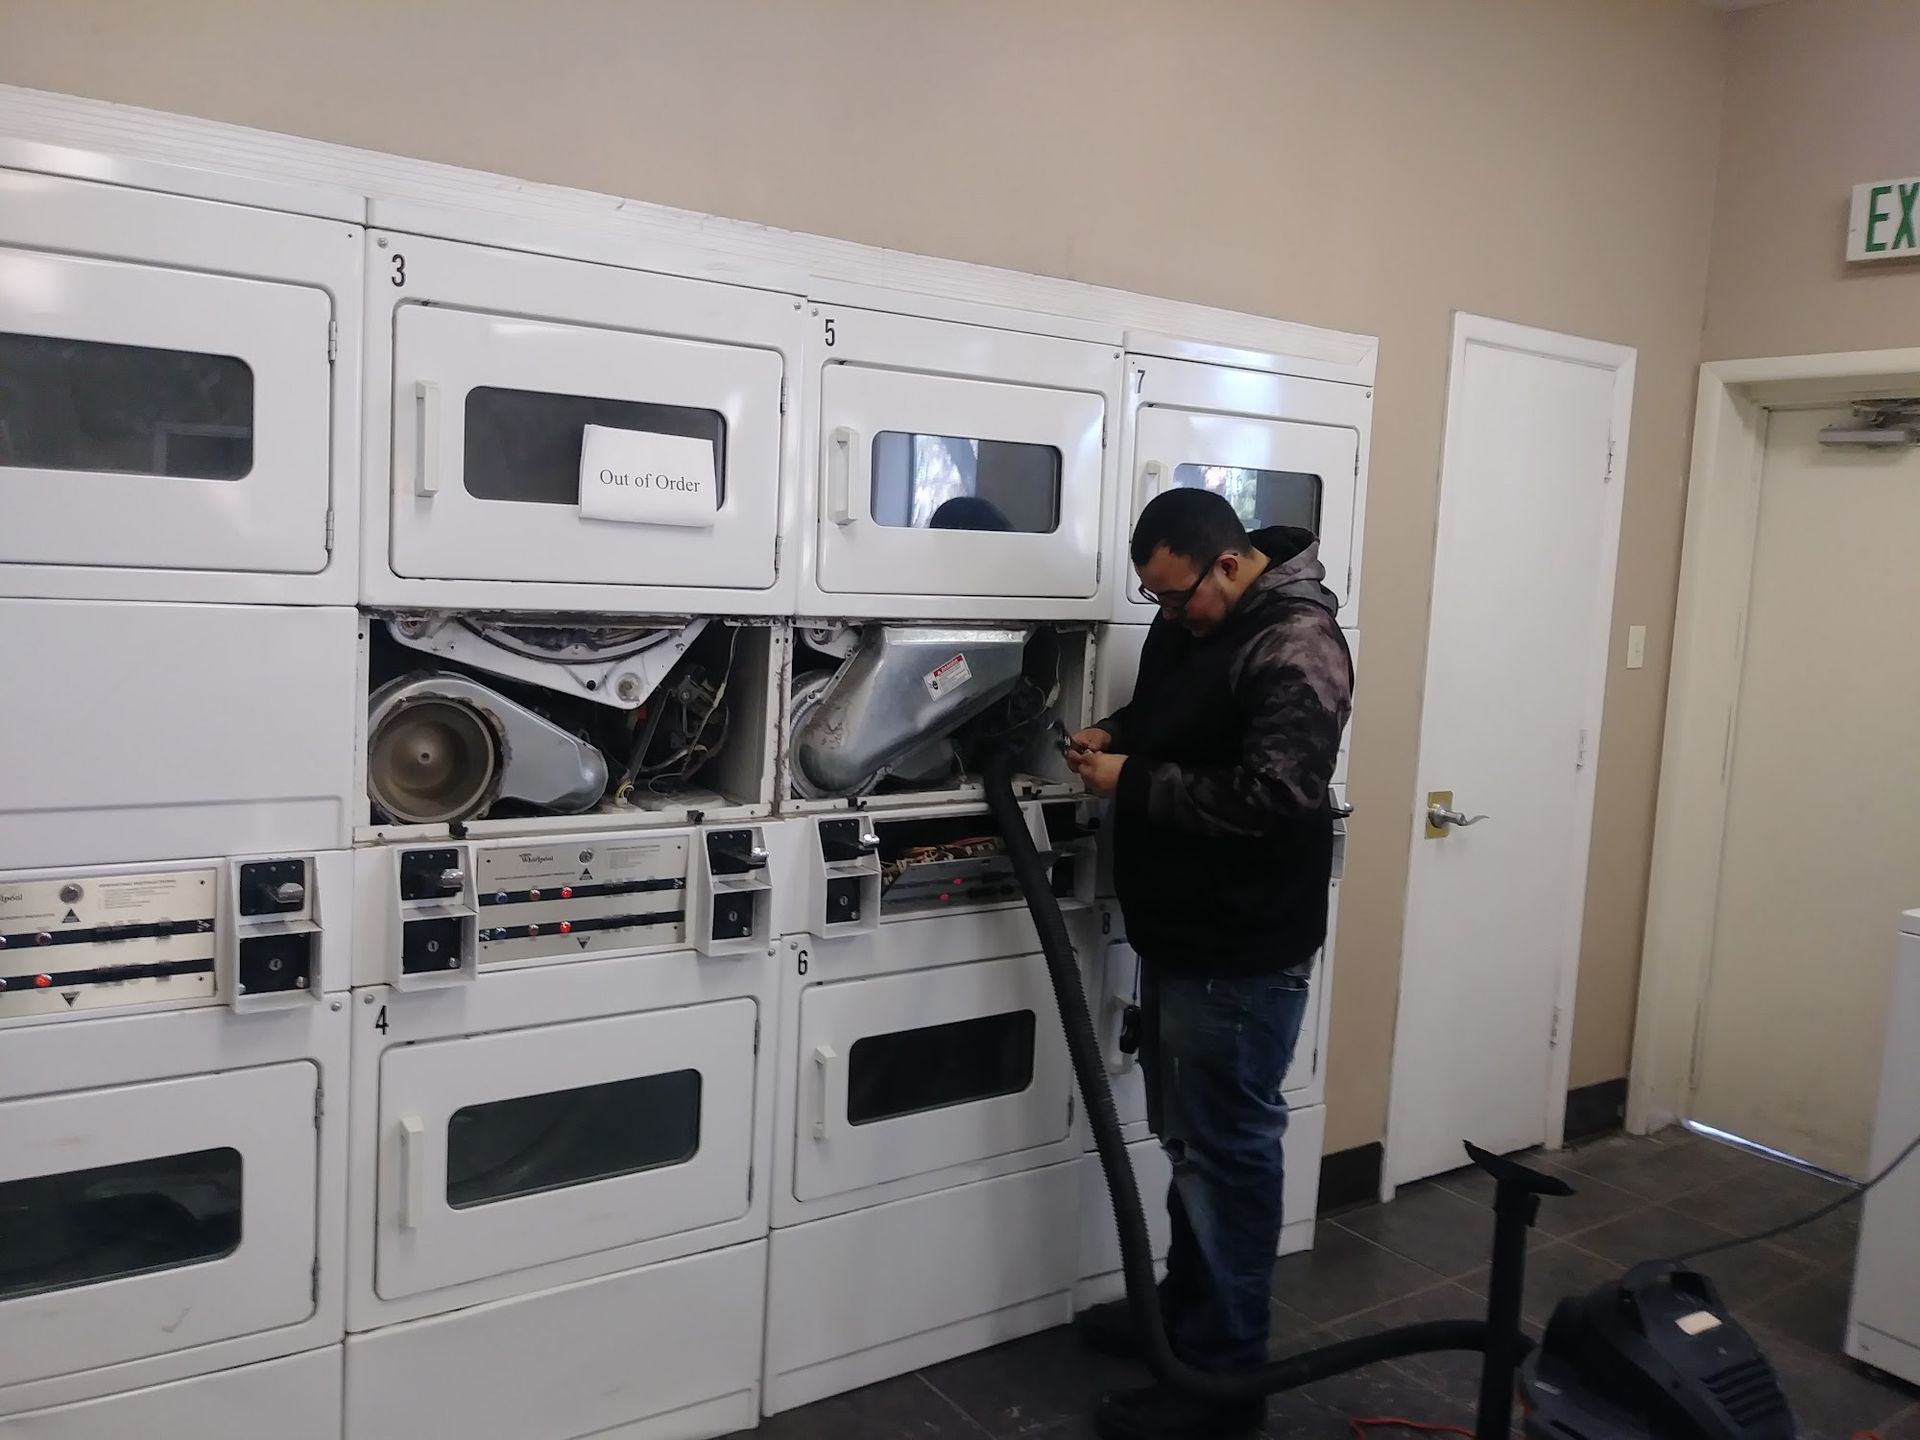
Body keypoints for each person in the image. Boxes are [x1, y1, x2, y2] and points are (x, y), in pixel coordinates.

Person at [1065, 487, 1353, 1440]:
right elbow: (1181, 715)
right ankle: (1182, 1321)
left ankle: (1224, 1386)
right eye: (1156, 599)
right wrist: (1122, 732)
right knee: (1191, 1146)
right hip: (1181, 934)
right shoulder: (1200, 620)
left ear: (1229, 565)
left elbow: (1275, 795)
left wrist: (1132, 780)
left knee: (1226, 1156)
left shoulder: (1297, 646)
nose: (1170, 614)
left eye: (1179, 595)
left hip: (1242, 947)